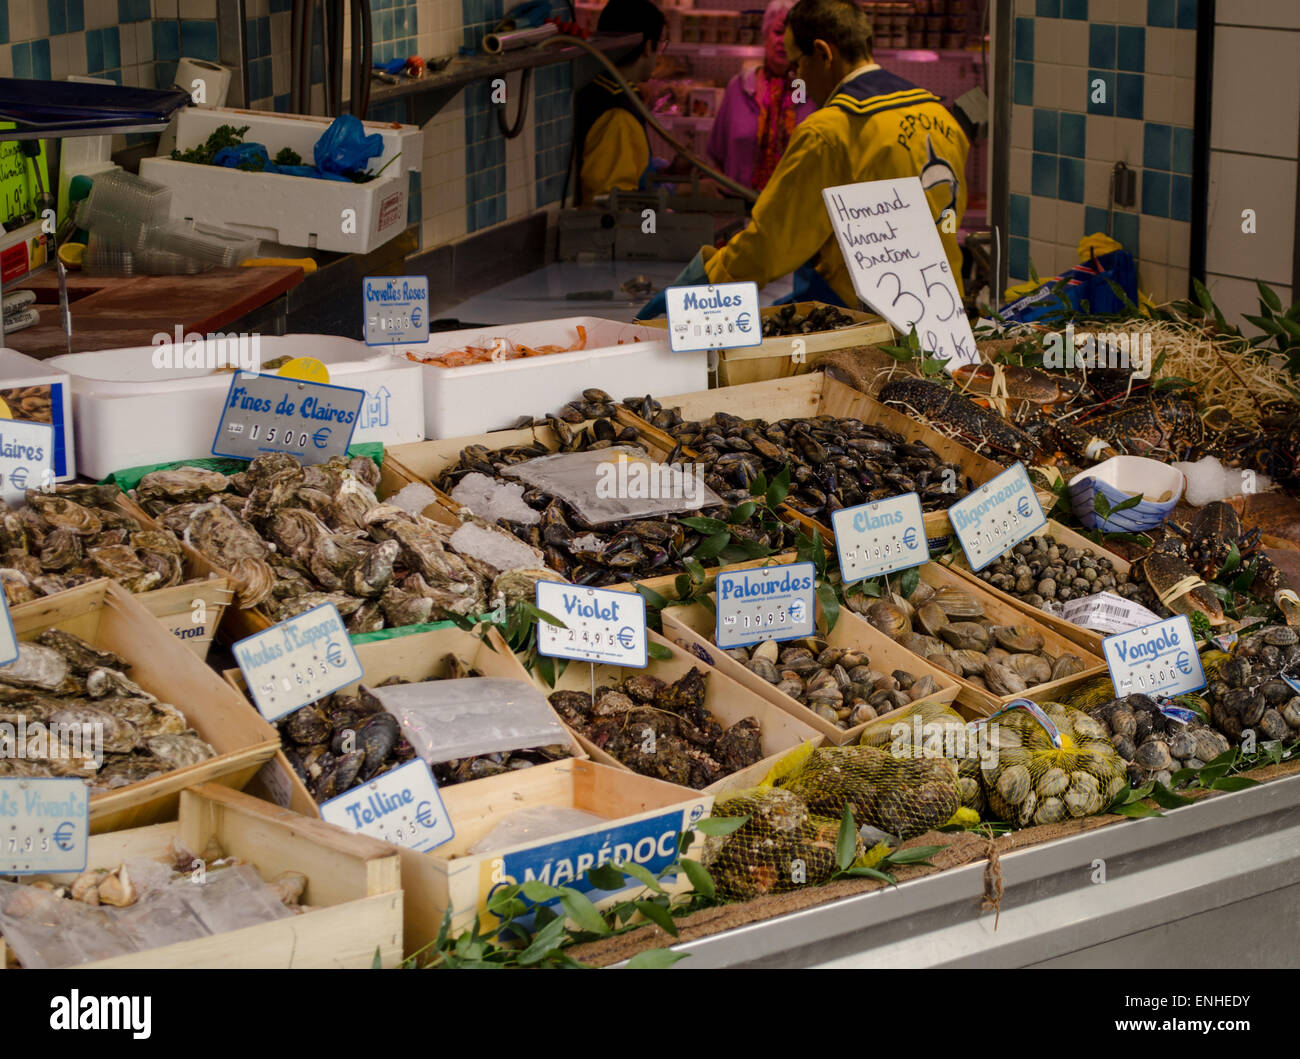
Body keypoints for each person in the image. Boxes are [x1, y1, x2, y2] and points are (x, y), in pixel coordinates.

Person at [636, 0, 969, 315]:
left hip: (868, 322)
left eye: (797, 65)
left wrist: (699, 285)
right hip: (943, 311)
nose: (799, 81)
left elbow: (772, 244)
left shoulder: (829, 131)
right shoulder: (939, 116)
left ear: (823, 54)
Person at [706, 0, 817, 193]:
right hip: (739, 207)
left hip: (792, 209)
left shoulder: (809, 92)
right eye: (778, 32)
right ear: (765, 33)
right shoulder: (739, 87)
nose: (783, 41)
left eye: (792, 35)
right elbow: (717, 155)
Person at [573, 0, 666, 206]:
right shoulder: (618, 116)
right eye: (661, 45)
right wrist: (680, 193)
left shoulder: (601, 88)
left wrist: (666, 173)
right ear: (648, 47)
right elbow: (614, 203)